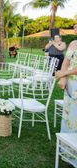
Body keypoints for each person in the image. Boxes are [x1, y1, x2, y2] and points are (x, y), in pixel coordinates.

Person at [55, 24, 77, 166]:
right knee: (69, 116)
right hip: (70, 85)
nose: (75, 27)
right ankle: (67, 151)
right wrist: (63, 79)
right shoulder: (74, 43)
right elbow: (66, 61)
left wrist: (63, 74)